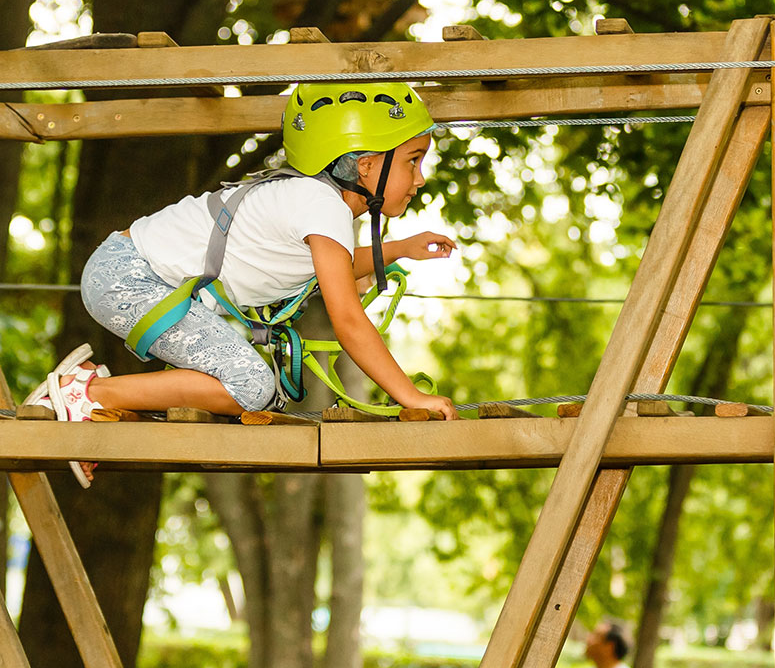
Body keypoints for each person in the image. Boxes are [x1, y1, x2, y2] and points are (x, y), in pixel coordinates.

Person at [31, 81, 458, 480]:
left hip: (126, 272)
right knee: (250, 385)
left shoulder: (312, 202)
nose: (420, 178)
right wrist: (410, 396)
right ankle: (90, 394)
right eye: (413, 160)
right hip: (129, 278)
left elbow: (335, 268)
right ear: (365, 166)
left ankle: (88, 398)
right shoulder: (321, 206)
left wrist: (399, 249)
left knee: (249, 383)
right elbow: (346, 317)